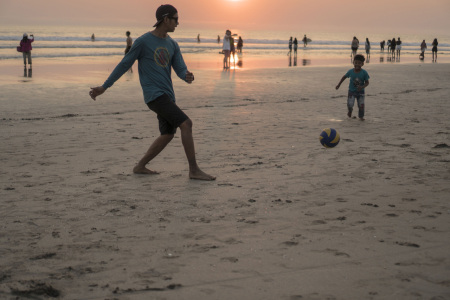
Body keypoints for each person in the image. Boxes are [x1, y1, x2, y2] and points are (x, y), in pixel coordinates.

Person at [89, 4, 215, 181]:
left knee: (168, 134)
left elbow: (180, 69)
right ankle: (194, 170)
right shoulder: (143, 42)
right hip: (154, 96)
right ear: (165, 19)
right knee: (186, 124)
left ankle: (140, 166)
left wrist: (187, 76)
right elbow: (125, 64)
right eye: (175, 19)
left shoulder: (173, 44)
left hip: (167, 96)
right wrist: (104, 87)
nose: (178, 23)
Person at [335, 54, 370, 121]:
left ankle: (361, 116)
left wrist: (362, 86)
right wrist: (339, 84)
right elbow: (344, 77)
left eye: (359, 63)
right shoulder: (350, 71)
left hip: (361, 92)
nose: (357, 64)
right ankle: (350, 111)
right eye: (355, 62)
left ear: (362, 64)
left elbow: (367, 82)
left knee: (361, 105)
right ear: (353, 62)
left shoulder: (364, 73)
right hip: (351, 91)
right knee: (350, 104)